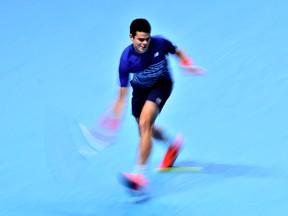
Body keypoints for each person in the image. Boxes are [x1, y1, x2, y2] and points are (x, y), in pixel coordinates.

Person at [113, 18, 204, 191]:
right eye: (140, 39)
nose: (144, 43)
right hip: (139, 91)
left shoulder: (160, 43)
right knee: (146, 130)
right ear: (131, 37)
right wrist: (118, 105)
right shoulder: (126, 59)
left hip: (161, 86)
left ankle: (140, 175)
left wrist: (187, 64)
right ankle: (172, 144)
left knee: (145, 122)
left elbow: (178, 51)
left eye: (147, 38)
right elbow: (123, 89)